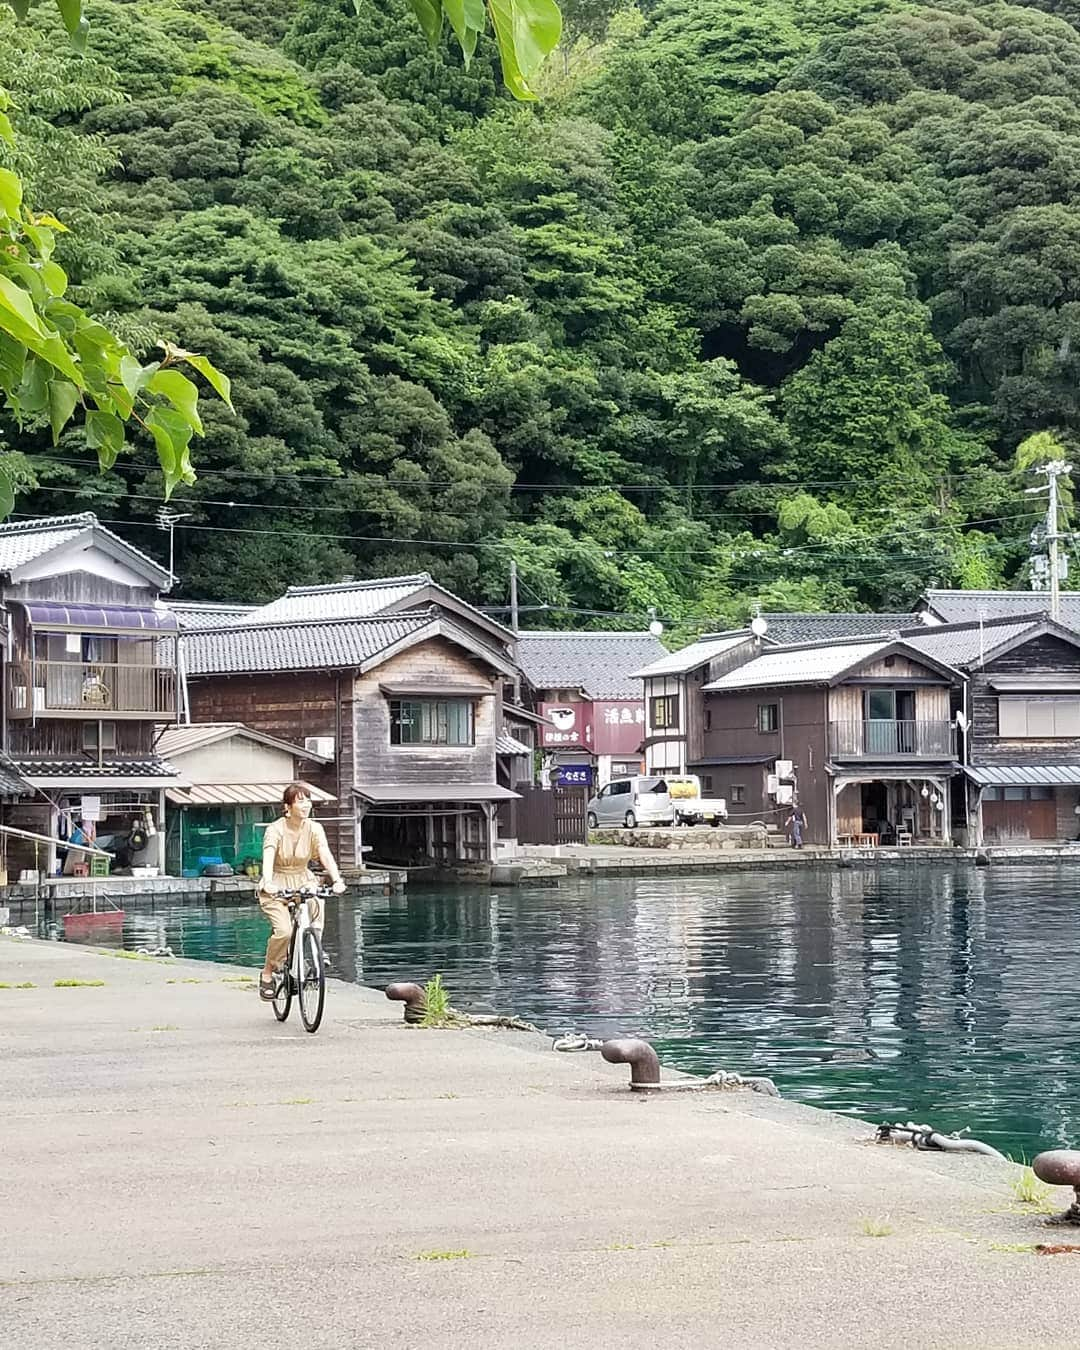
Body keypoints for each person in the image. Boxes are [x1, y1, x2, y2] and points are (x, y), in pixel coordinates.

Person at [258, 782, 346, 1000]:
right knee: (284, 931)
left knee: (316, 905)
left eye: (307, 800)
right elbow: (268, 856)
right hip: (278, 881)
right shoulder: (275, 830)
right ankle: (268, 973)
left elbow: (324, 854)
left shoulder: (315, 828)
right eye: (300, 801)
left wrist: (337, 879)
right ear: (287, 807)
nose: (305, 805)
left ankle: (315, 953)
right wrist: (267, 881)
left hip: (303, 878)